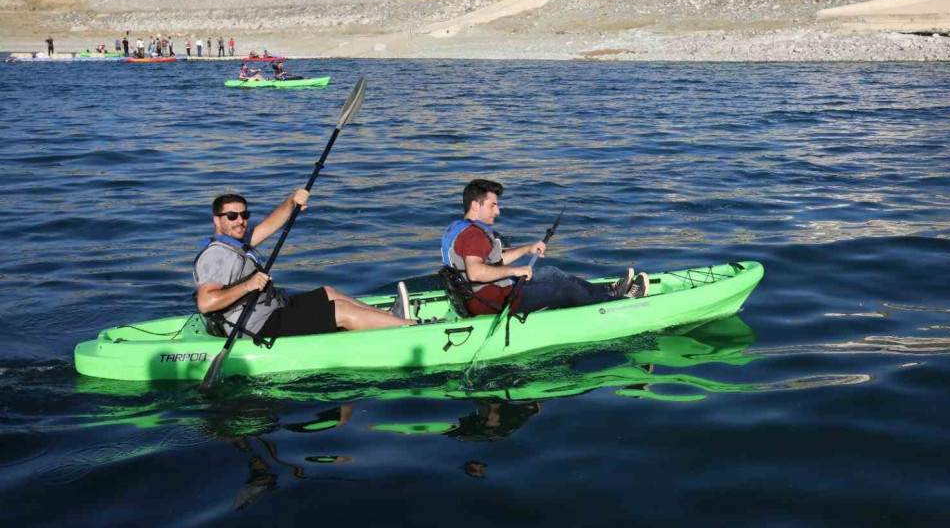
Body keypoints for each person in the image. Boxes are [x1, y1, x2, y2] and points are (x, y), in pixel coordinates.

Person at [193, 190, 415, 346]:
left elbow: (270, 225)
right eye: (232, 216)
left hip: (273, 308)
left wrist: (291, 202)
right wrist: (248, 286)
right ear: (217, 220)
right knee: (339, 311)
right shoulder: (217, 254)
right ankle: (411, 329)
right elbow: (205, 303)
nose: (240, 220)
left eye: (244, 215)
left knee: (327, 292)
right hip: (256, 326)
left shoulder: (237, 243)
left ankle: (388, 317)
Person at [441, 179, 647, 317]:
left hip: (484, 296)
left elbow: (494, 262)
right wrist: (516, 270)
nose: (498, 210)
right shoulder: (473, 234)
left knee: (551, 272)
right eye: (493, 205)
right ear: (476, 206)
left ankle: (607, 292)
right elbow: (476, 272)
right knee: (562, 287)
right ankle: (620, 303)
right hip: (493, 301)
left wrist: (527, 249)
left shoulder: (461, 229)